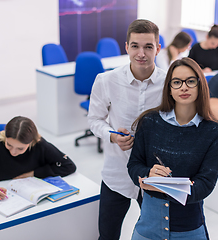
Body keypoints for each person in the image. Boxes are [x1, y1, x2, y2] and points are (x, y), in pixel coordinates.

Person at [127, 58, 218, 240]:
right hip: (149, 224)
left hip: (189, 227)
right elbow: (134, 165)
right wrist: (147, 173)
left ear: (200, 85)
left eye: (190, 81)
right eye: (177, 82)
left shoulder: (214, 131)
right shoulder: (149, 122)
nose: (184, 87)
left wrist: (162, 187)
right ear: (169, 89)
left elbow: (206, 184)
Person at [88, 19, 166, 240]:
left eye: (148, 47)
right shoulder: (106, 80)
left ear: (158, 48)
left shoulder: (169, 82)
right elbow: (94, 120)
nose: (141, 53)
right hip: (117, 173)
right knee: (108, 236)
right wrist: (111, 135)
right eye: (135, 46)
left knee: (156, 235)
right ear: (126, 47)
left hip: (153, 175)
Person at [0, 116, 76, 199]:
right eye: (9, 145)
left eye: (20, 148)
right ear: (5, 137)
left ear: (31, 142)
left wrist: (34, 173)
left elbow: (68, 166)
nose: (13, 152)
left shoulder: (40, 145)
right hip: (2, 195)